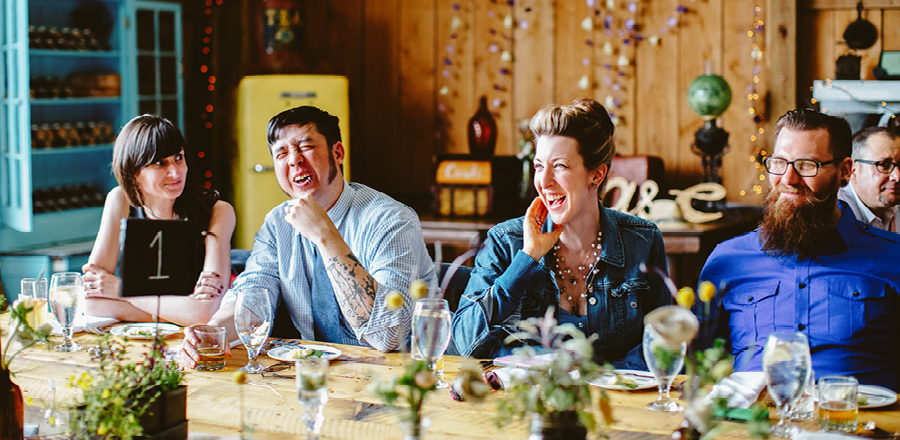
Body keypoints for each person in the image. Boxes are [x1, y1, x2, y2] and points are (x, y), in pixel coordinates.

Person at [180, 105, 435, 363]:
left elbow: (388, 335)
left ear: (337, 153)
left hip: (401, 379)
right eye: (281, 153)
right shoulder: (277, 223)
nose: (294, 160)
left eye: (305, 147)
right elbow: (254, 293)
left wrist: (324, 234)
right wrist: (214, 332)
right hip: (313, 373)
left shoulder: (391, 220)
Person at [452, 98, 671, 367]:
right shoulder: (505, 241)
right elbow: (464, 344)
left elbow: (662, 344)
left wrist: (603, 380)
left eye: (560, 166)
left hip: (616, 403)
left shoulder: (643, 240)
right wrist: (526, 259)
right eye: (539, 166)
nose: (543, 182)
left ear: (597, 175)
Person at [699, 109, 900, 390]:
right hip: (754, 426)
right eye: (780, 162)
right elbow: (699, 365)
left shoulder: (893, 258)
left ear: (844, 172)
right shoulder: (726, 261)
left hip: (857, 425)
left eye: (807, 165)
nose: (789, 179)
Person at [82, 115, 235, 325]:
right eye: (160, 163)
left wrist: (120, 290)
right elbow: (91, 301)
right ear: (133, 172)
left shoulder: (218, 211)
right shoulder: (120, 200)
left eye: (179, 158)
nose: (175, 172)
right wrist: (178, 314)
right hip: (141, 342)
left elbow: (205, 314)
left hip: (197, 344)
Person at [838, 126, 900, 233]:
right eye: (884, 165)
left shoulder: (893, 208)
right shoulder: (833, 220)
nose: (897, 176)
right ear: (852, 170)